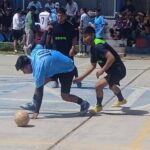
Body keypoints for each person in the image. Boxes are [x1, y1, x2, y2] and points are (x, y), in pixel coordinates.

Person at [15, 44, 90, 119]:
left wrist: (36, 111)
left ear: (27, 66)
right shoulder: (34, 53)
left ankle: (84, 103)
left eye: (23, 70)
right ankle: (34, 104)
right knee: (39, 83)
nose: (24, 73)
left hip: (67, 69)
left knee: (65, 96)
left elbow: (40, 92)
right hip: (56, 67)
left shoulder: (38, 68)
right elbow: (39, 45)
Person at [73, 26, 127, 114]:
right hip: (115, 71)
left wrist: (102, 70)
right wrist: (81, 78)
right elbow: (92, 66)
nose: (84, 39)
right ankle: (121, 100)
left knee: (98, 86)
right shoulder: (93, 48)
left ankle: (98, 106)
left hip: (118, 70)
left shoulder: (98, 46)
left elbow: (111, 58)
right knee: (112, 85)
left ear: (92, 35)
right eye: (83, 36)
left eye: (86, 36)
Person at [46, 7, 82, 88]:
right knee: (54, 65)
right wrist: (47, 46)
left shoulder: (69, 26)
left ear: (65, 16)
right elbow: (48, 37)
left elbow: (74, 37)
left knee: (71, 65)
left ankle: (77, 78)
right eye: (58, 15)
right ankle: (55, 81)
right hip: (56, 50)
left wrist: (73, 47)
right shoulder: (53, 25)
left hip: (67, 49)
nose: (59, 17)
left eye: (61, 15)